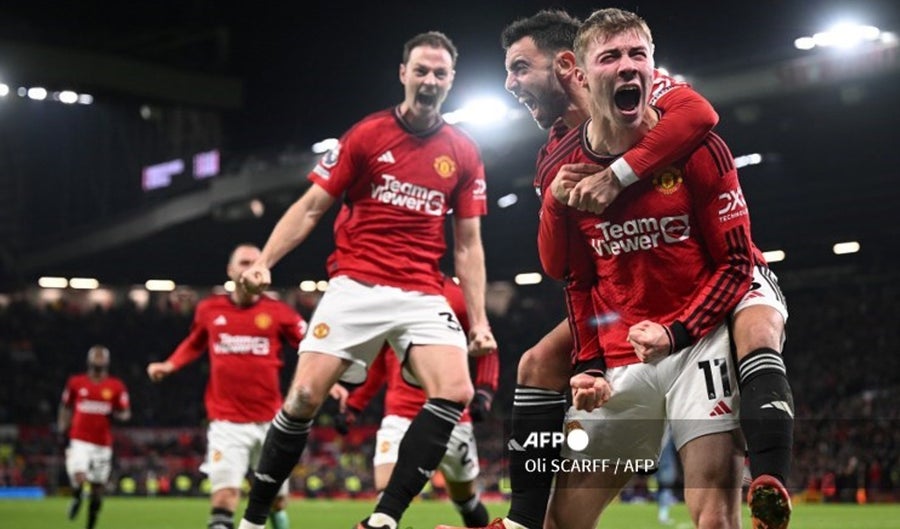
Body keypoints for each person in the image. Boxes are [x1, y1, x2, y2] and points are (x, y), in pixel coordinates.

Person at [438, 10, 720, 529]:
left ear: (568, 66)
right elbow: (561, 266)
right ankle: (522, 521)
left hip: (699, 289)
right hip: (623, 297)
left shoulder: (647, 95)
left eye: (520, 68)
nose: (510, 84)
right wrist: (554, 201)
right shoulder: (553, 157)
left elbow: (700, 114)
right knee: (537, 363)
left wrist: (617, 174)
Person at [234, 30, 496, 529]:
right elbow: (311, 207)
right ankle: (253, 518)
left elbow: (467, 244)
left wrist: (479, 320)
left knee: (455, 389)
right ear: (403, 74)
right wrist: (264, 261)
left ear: (451, 81)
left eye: (440, 73)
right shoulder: (367, 134)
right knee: (303, 398)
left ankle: (384, 518)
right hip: (356, 282)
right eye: (421, 70)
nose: (430, 80)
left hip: (422, 289)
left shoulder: (463, 151)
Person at [539, 8, 754, 528]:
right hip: (621, 359)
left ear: (653, 68)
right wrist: (589, 365)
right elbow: (576, 280)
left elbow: (735, 264)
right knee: (562, 522)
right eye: (610, 56)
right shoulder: (564, 171)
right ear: (581, 76)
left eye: (638, 54)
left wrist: (677, 331)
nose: (627, 66)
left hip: (698, 344)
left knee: (715, 520)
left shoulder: (700, 149)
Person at [147, 243, 307, 529]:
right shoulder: (209, 309)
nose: (251, 268)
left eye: (257, 263)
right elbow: (195, 342)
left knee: (276, 501)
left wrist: (327, 380)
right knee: (224, 497)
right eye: (244, 263)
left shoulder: (280, 312)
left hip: (271, 422)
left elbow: (311, 347)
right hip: (226, 422)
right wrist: (170, 365)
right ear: (230, 271)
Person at [331, 275, 499, 527]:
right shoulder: (386, 294)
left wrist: (485, 389)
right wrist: (354, 406)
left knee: (465, 500)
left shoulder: (457, 296)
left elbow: (485, 344)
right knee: (386, 498)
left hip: (451, 415)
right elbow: (379, 364)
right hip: (400, 414)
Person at [58, 345, 131, 529]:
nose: (98, 359)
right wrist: (62, 425)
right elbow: (65, 405)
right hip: (79, 439)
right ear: (89, 360)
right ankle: (77, 496)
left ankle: (90, 525)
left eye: (101, 356)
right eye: (95, 356)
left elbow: (125, 412)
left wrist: (118, 414)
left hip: (102, 444)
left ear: (107, 361)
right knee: (80, 476)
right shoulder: (76, 382)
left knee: (97, 491)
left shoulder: (116, 386)